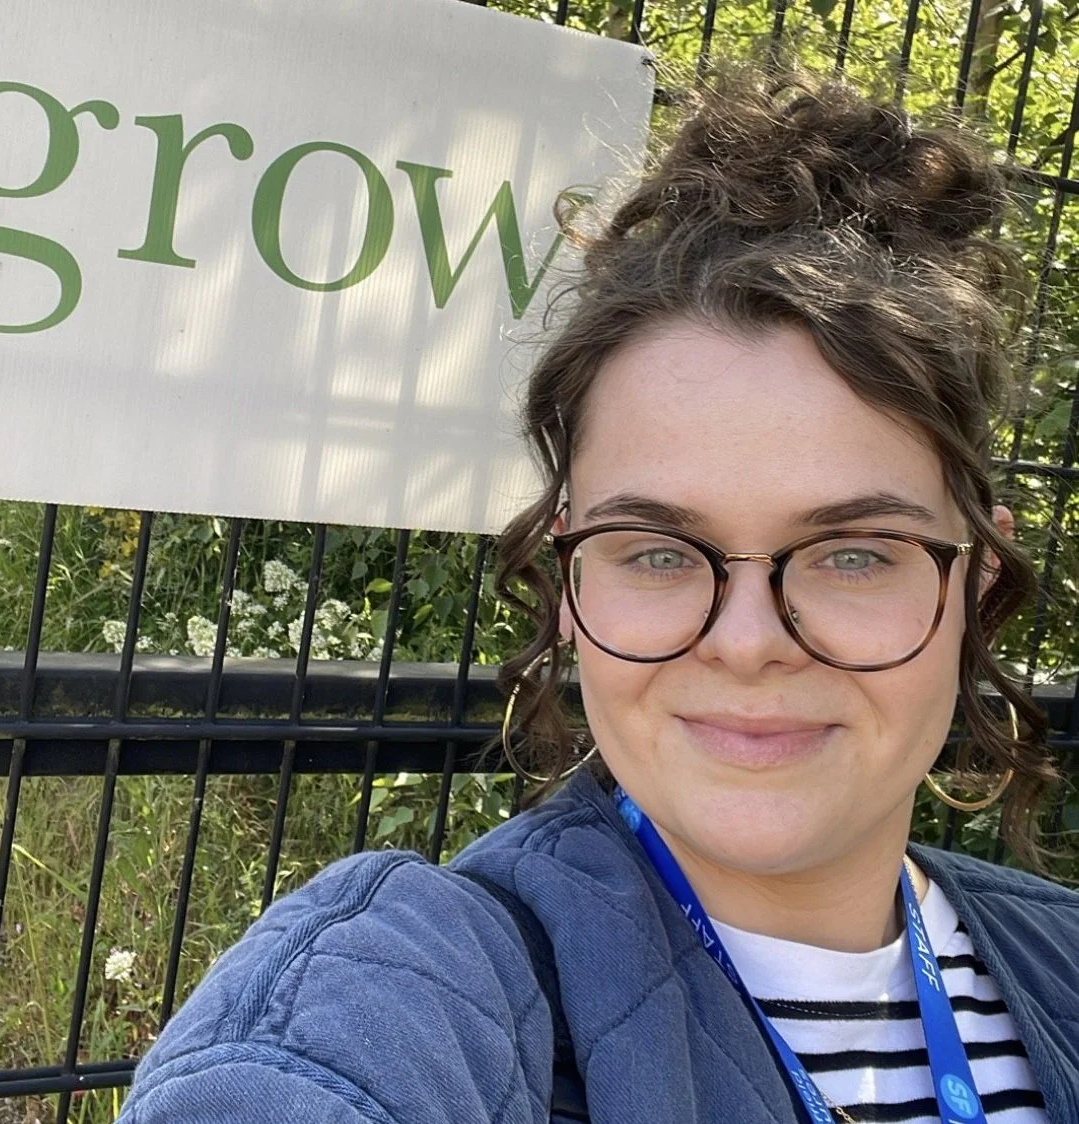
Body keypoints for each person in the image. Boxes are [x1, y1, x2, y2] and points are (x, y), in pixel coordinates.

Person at [115, 64, 1079, 1124]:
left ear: (978, 580)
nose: (746, 641)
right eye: (658, 552)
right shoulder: (404, 998)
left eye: (852, 553)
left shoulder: (1059, 957)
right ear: (569, 581)